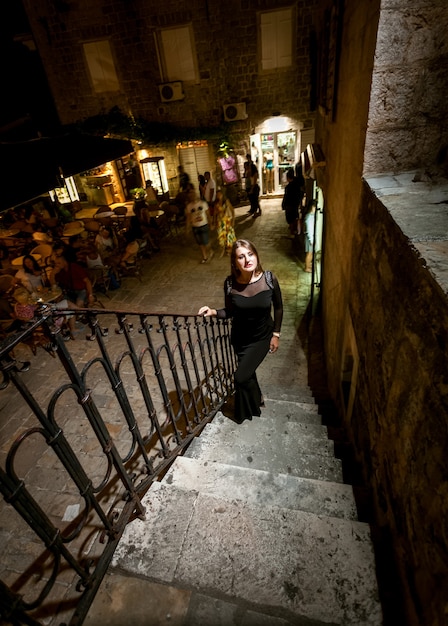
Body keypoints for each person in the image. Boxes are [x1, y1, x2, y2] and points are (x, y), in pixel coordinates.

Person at [198, 238, 283, 423]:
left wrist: (276, 334)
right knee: (248, 373)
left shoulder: (269, 279)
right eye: (241, 257)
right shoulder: (230, 283)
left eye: (250, 254)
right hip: (240, 338)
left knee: (240, 376)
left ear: (256, 255)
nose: (247, 260)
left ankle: (246, 409)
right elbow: (230, 311)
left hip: (262, 337)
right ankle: (256, 400)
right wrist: (212, 311)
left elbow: (278, 307)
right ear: (235, 262)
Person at [185, 187, 214, 264]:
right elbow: (188, 218)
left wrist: (211, 224)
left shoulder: (203, 203)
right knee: (200, 243)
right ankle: (205, 257)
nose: (192, 195)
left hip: (204, 225)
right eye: (190, 194)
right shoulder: (189, 206)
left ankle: (210, 250)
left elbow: (208, 215)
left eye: (193, 193)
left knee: (206, 242)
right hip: (195, 227)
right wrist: (187, 228)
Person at [282, 168, 304, 238]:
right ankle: (296, 231)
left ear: (288, 178)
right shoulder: (297, 185)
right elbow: (300, 194)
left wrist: (283, 204)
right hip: (295, 204)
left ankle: (292, 232)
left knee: (290, 219)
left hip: (290, 205)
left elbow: (286, 197)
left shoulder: (288, 187)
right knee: (295, 217)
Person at [214, 188, 236, 257]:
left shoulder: (226, 201)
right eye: (217, 195)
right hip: (220, 222)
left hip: (227, 221)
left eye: (219, 194)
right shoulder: (216, 203)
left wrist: (233, 220)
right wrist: (214, 222)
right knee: (221, 236)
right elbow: (215, 214)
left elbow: (232, 210)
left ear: (222, 195)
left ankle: (229, 250)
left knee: (229, 236)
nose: (218, 196)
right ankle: (223, 250)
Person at [304, 199, 317, 272]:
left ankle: (308, 265)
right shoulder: (309, 217)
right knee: (309, 253)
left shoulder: (311, 216)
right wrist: (311, 240)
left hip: (310, 237)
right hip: (310, 237)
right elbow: (309, 230)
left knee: (310, 252)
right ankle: (307, 267)